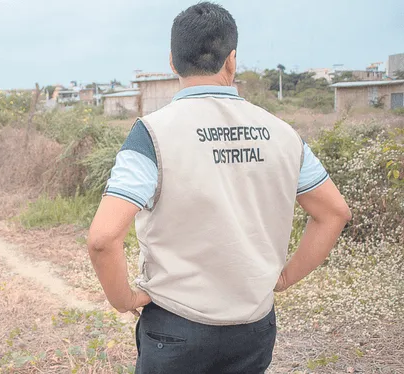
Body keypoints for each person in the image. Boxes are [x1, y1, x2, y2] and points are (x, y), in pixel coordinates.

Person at [87, 2, 352, 373]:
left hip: (175, 328)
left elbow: (102, 238)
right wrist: (285, 276)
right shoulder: (282, 133)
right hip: (254, 328)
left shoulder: (152, 133)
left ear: (172, 62)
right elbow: (334, 212)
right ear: (232, 61)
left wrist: (123, 298)